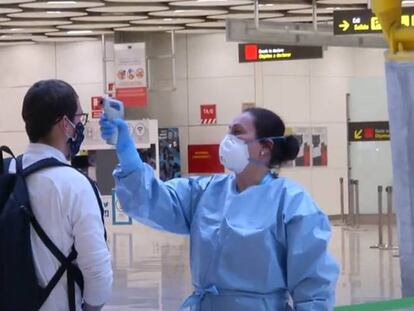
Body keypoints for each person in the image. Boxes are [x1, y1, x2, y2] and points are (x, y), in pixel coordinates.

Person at [100, 107, 339, 310]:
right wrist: (128, 155)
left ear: (264, 147)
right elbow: (151, 200)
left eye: (237, 133)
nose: (227, 140)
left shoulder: (292, 203)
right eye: (228, 131)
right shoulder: (205, 191)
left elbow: (313, 287)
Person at [11, 80, 113, 311]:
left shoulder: (6, 174)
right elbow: (98, 272)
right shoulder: (76, 186)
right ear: (65, 124)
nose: (80, 126)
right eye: (79, 118)